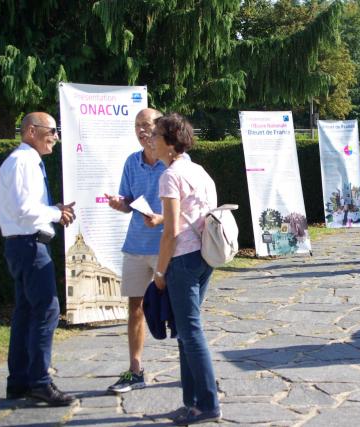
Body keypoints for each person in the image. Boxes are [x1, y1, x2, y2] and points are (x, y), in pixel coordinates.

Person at [0, 112, 77, 406]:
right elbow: (25, 210)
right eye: (52, 130)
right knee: (47, 310)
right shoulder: (23, 162)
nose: (55, 136)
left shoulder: (24, 161)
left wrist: (53, 209)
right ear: (31, 131)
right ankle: (40, 382)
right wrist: (56, 213)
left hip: (24, 245)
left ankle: (19, 383)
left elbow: (26, 207)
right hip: (29, 247)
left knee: (26, 313)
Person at [151, 113, 221, 425]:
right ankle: (192, 401)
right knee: (184, 331)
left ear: (169, 143)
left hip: (181, 260)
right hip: (204, 257)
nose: (151, 139)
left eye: (156, 134)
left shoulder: (170, 176)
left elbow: (171, 232)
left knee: (190, 332)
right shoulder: (199, 170)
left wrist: (160, 272)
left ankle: (207, 403)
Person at [105, 108, 164, 393]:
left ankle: (192, 369)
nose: (141, 130)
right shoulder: (131, 162)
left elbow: (190, 208)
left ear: (159, 127)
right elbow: (128, 199)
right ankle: (135, 369)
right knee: (135, 308)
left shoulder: (174, 161)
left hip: (168, 246)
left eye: (147, 125)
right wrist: (120, 203)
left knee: (179, 310)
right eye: (137, 126)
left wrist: (162, 219)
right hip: (136, 245)